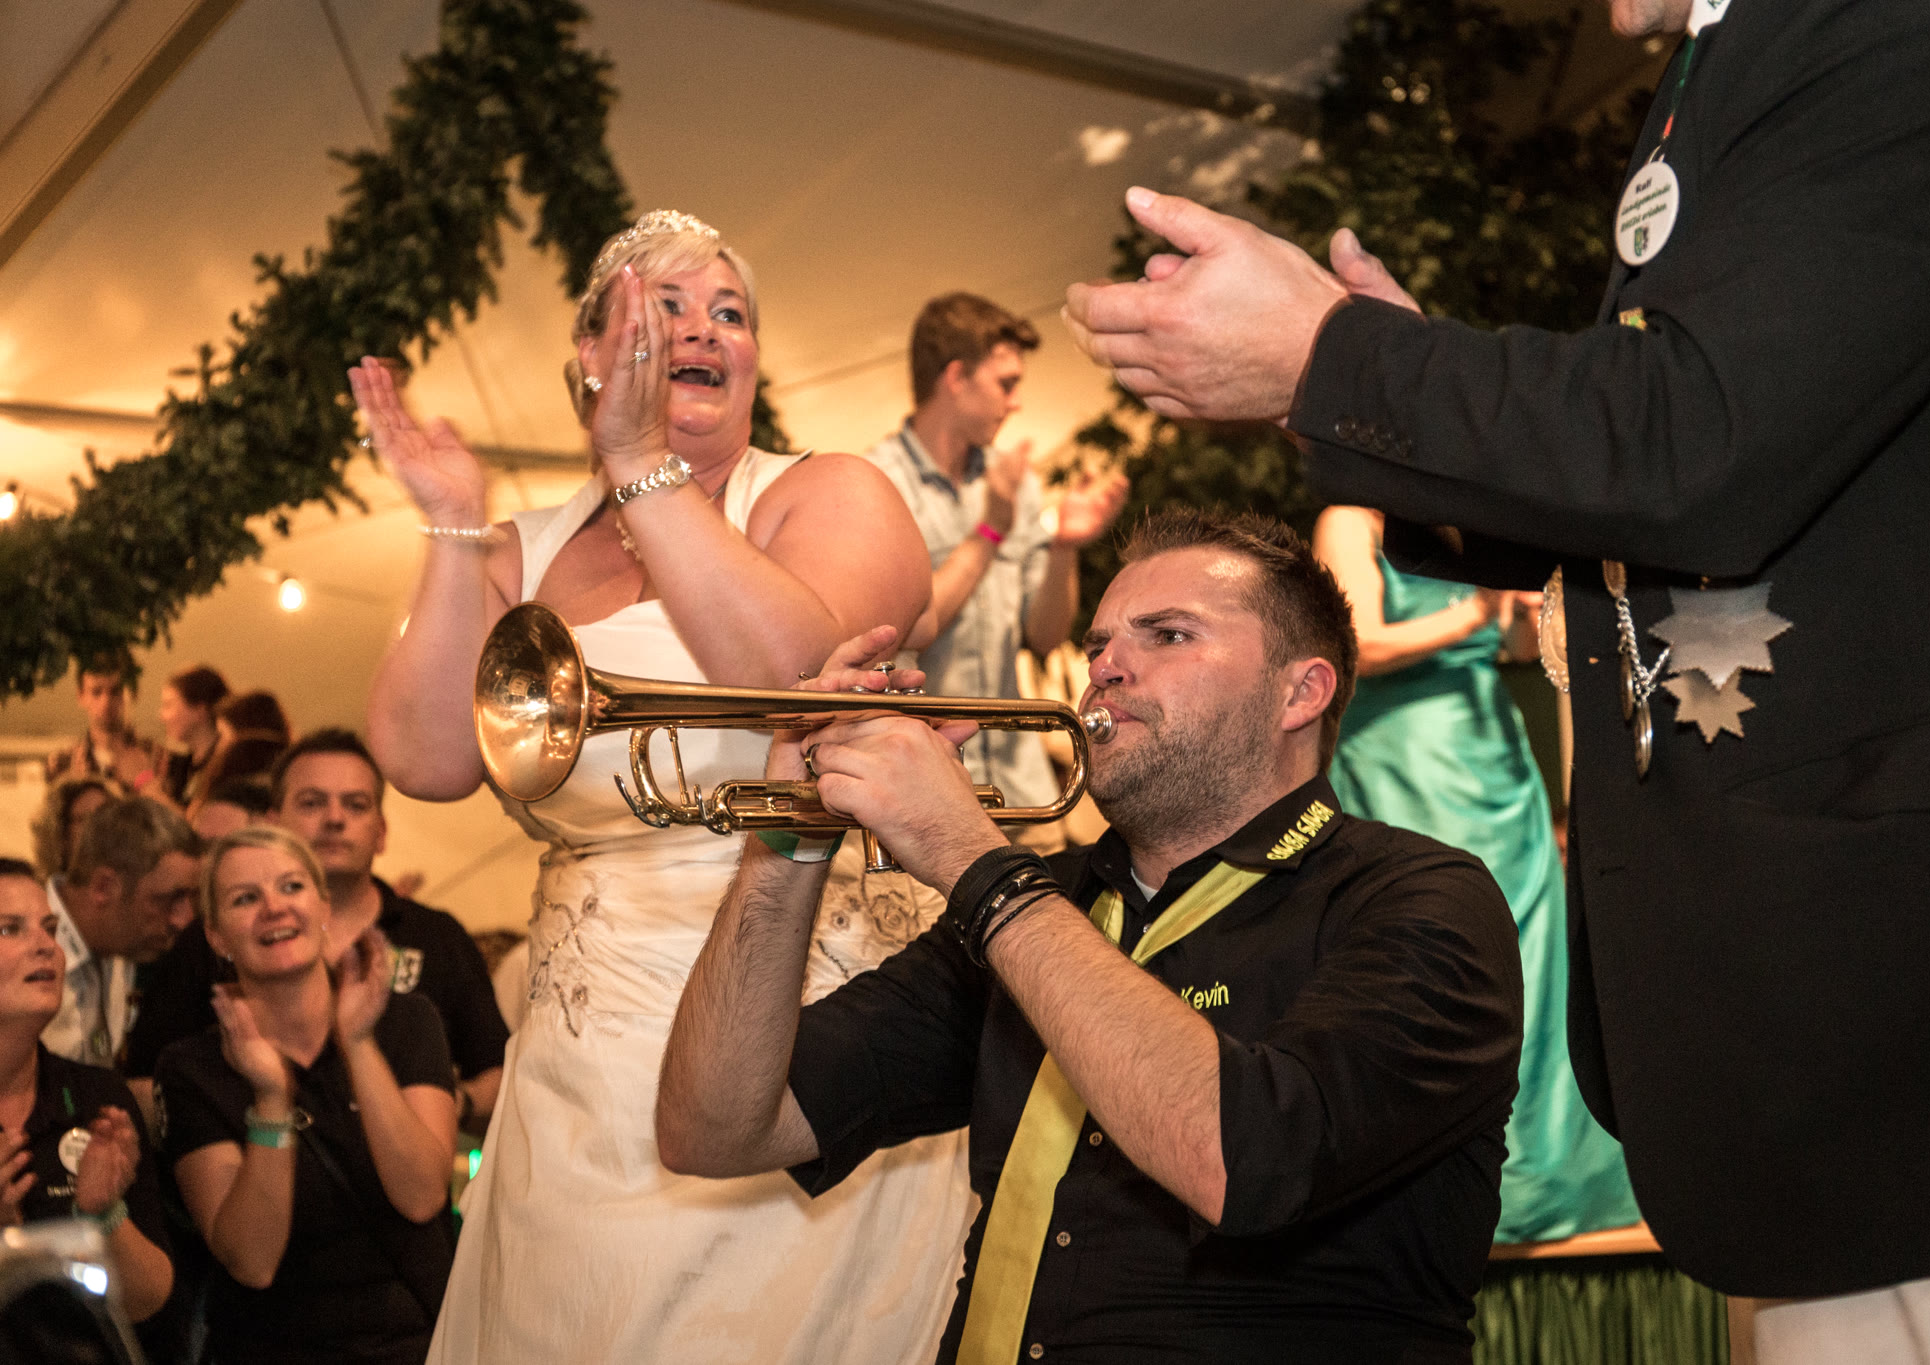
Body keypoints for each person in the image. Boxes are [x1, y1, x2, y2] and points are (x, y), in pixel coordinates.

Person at [1062, 0, 1930, 1350]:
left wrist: (1340, 361)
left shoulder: (1912, 19)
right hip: (1827, 1012)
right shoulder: (1730, 58)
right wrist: (1364, 393)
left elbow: (1700, 445)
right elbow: (1683, 466)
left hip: (1913, 1005)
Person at [657, 509, 1524, 1363]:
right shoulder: (1044, 903)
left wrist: (972, 859)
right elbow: (715, 1127)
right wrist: (791, 837)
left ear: (1301, 692)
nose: (1104, 666)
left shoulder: (1422, 898)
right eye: (1098, 643)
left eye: (1169, 635)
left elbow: (1243, 1159)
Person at [351, 208, 972, 1364]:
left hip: (794, 1008)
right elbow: (424, 758)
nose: (702, 330)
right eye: (665, 308)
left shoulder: (826, 493)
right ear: (590, 355)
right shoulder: (520, 552)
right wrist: (451, 526)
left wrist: (645, 469)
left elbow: (795, 686)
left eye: (728, 313)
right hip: (587, 1053)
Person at [1314, 505, 1636, 1244]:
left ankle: (1545, 1171)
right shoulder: (1351, 523)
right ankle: (1453, 1175)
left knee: (1530, 946)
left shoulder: (1468, 523)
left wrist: (1525, 619)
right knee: (1435, 950)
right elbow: (1355, 644)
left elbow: (1512, 649)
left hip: (1491, 744)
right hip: (1408, 752)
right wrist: (1476, 612)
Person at [156, 826, 456, 1365]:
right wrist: (271, 1098)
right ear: (216, 937)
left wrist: (358, 1044)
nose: (274, 908)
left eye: (291, 887)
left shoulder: (407, 1022)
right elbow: (251, 1261)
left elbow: (422, 1198)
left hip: (420, 1347)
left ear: (323, 908)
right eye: (245, 899)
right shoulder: (192, 1069)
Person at [124, 731, 510, 1133]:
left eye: (356, 804)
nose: (335, 818)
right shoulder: (218, 937)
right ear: (274, 822)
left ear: (381, 832)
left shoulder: (436, 937)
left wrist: (447, 1103)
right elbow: (143, 1083)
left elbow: (500, 1074)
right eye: (312, 802)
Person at [863, 293, 1128, 846]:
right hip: (921, 796)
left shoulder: (1016, 483)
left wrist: (1063, 547)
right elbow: (901, 631)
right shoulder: (875, 482)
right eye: (1006, 384)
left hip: (1022, 793)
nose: (1015, 402)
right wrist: (990, 532)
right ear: (956, 377)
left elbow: (1045, 636)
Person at [0, 857, 175, 1325]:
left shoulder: (97, 1098)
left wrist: (103, 1214)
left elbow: (147, 1301)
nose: (47, 946)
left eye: (50, 929)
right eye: (10, 929)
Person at [43, 797, 202, 1070]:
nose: (183, 920)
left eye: (191, 898)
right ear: (103, 888)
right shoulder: (21, 951)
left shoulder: (119, 945)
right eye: (169, 899)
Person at [44, 655, 159, 789]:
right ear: (81, 696)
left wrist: (144, 781)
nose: (106, 702)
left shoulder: (158, 759)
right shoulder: (62, 765)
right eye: (96, 692)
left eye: (115, 691)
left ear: (133, 693)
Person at [154, 665, 230, 807]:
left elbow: (193, 820)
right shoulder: (183, 766)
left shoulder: (223, 769)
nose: (162, 716)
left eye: (168, 705)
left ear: (199, 711)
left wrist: (145, 783)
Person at [27, 774, 121, 882]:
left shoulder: (130, 889)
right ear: (61, 834)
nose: (99, 827)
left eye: (106, 816)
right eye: (85, 819)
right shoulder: (36, 891)